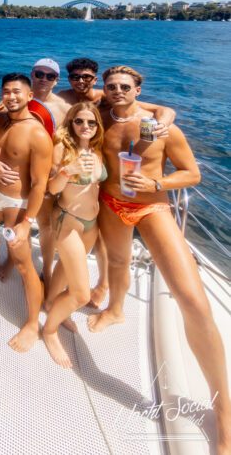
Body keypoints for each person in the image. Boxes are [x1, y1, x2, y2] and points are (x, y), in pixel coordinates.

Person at [89, 65, 230, 452]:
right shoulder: (100, 120)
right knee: (116, 263)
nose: (116, 91)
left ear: (138, 89)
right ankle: (116, 308)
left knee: (193, 301)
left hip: (152, 207)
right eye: (111, 86)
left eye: (125, 86)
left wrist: (157, 183)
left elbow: (192, 174)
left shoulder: (161, 128)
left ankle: (223, 413)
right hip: (110, 202)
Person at [58, 56, 177, 308]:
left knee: (102, 240)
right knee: (90, 235)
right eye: (76, 77)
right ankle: (68, 281)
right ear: (69, 79)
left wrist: (163, 123)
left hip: (104, 180)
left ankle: (102, 285)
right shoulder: (62, 96)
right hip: (83, 175)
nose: (81, 81)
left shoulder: (105, 97)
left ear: (94, 79)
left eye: (87, 77)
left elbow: (160, 110)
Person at [0, 73, 53, 352]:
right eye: (6, 91)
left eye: (17, 92)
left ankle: (33, 323)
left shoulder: (37, 135)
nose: (11, 96)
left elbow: (40, 183)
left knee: (23, 263)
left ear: (30, 96)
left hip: (16, 203)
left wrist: (27, 222)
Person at [42, 102, 106, 368]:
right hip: (68, 220)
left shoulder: (97, 149)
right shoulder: (62, 148)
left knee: (66, 272)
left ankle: (51, 303)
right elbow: (52, 188)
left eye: (91, 123)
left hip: (92, 223)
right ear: (71, 122)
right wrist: (68, 171)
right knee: (81, 294)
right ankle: (49, 331)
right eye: (80, 121)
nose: (86, 127)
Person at [28, 58, 71, 290]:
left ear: (56, 81)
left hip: (44, 174)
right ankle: (15, 260)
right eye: (39, 74)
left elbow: (68, 142)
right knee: (17, 219)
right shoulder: (18, 98)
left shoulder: (64, 108)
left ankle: (46, 269)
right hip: (18, 170)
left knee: (45, 224)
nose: (43, 79)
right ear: (32, 75)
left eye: (50, 76)